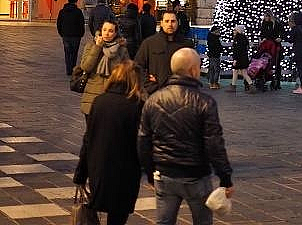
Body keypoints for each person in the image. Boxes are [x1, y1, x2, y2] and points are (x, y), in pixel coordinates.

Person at [138, 47, 234, 225]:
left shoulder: (154, 99)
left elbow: (144, 140)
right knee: (202, 221)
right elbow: (214, 144)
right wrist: (225, 177)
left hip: (165, 173)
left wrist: (150, 172)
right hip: (196, 174)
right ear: (193, 70)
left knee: (164, 222)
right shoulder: (204, 102)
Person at [73, 61, 143, 225]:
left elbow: (88, 138)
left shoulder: (99, 101)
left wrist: (81, 174)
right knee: (118, 216)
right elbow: (142, 143)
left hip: (99, 167)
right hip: (125, 171)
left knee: (97, 208)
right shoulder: (137, 105)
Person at [79, 20, 130, 118]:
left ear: (115, 33)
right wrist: (97, 47)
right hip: (92, 95)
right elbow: (86, 67)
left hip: (113, 94)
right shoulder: (91, 46)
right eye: (104, 30)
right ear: (100, 31)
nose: (107, 33)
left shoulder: (122, 50)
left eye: (111, 31)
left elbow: (125, 72)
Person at [135, 11, 193, 96]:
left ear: (178, 23)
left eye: (173, 21)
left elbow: (193, 67)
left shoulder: (186, 44)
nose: (170, 24)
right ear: (161, 23)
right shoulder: (149, 43)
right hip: (155, 93)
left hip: (180, 93)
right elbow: (137, 66)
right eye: (167, 21)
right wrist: (149, 84)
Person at [56, 0, 85, 76]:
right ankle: (73, 68)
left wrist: (61, 33)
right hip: (76, 36)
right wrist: (81, 33)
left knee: (67, 53)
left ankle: (68, 70)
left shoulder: (62, 11)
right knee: (74, 53)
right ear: (76, 2)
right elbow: (81, 24)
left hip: (66, 35)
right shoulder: (78, 11)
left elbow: (59, 23)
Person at [259, 10, 285, 90]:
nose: (265, 18)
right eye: (265, 16)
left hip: (275, 45)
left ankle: (277, 81)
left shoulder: (276, 24)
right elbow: (262, 34)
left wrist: (280, 38)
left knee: (277, 64)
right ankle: (264, 79)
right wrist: (262, 39)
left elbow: (282, 32)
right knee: (265, 62)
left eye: (267, 16)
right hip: (266, 46)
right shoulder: (263, 24)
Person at [226, 25, 254, 93]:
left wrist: (235, 59)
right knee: (241, 72)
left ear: (238, 30)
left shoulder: (238, 38)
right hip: (243, 58)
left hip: (239, 59)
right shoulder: (244, 38)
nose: (233, 31)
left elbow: (237, 50)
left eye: (235, 30)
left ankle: (234, 86)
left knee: (238, 72)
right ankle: (250, 85)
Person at [288, 11, 302, 95]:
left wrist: (291, 28)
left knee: (300, 70)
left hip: (298, 51)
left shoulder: (295, 28)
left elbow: (290, 40)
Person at [207, 25, 223, 90]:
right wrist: (220, 48)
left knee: (212, 69)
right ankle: (215, 83)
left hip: (211, 55)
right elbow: (218, 47)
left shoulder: (210, 37)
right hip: (216, 55)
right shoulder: (216, 39)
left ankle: (211, 83)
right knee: (216, 69)